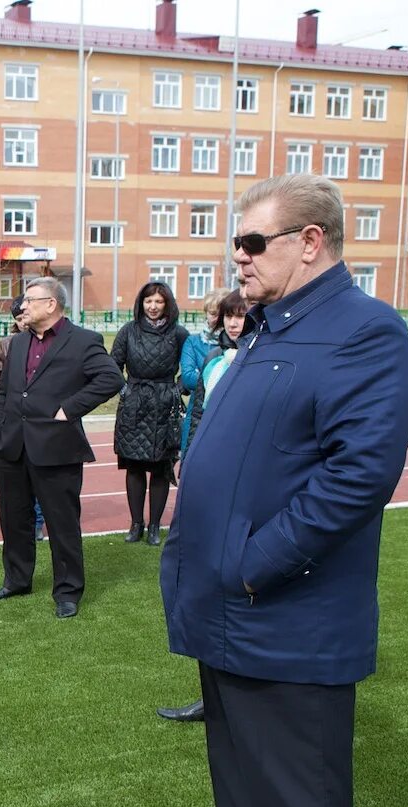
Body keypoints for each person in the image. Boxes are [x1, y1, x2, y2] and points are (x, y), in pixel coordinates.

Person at [160, 174, 408, 807]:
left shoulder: (365, 332)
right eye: (235, 243)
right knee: (237, 768)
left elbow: (357, 477)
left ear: (311, 241)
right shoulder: (273, 326)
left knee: (303, 793)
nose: (237, 258)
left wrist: (253, 560)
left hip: (289, 610)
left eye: (252, 243)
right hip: (228, 607)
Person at [0, 276, 122, 619]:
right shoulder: (16, 343)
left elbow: (111, 378)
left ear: (51, 304)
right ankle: (17, 579)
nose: (22, 305)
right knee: (14, 519)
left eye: (29, 299)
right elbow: (6, 391)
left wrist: (70, 408)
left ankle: (68, 591)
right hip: (12, 445)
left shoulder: (83, 341)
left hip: (56, 447)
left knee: (62, 524)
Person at [157, 291, 248, 725]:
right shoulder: (214, 358)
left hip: (245, 492)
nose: (234, 322)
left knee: (236, 590)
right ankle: (211, 695)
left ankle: (237, 697)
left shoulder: (265, 359)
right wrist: (186, 457)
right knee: (199, 585)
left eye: (242, 315)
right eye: (229, 316)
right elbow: (197, 414)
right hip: (206, 481)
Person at [111, 281, 188, 547]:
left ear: (167, 304)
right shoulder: (128, 331)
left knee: (160, 468)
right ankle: (136, 524)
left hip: (164, 406)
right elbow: (113, 366)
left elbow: (189, 368)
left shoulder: (178, 334)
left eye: (158, 302)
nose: (153, 307)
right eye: (148, 301)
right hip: (134, 405)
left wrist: (175, 390)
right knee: (133, 467)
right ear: (141, 303)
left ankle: (155, 526)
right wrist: (125, 390)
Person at [0, 297, 45, 542]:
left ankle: (39, 522)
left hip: (40, 419)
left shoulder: (49, 343)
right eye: (18, 318)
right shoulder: (8, 344)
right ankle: (24, 523)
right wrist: (10, 391)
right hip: (13, 418)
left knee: (41, 474)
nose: (23, 322)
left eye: (25, 316)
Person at [180, 290, 226, 455]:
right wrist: (224, 374)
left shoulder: (239, 343)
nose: (217, 319)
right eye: (213, 313)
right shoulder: (193, 342)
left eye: (222, 314)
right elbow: (188, 379)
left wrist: (204, 373)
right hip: (198, 414)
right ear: (206, 314)